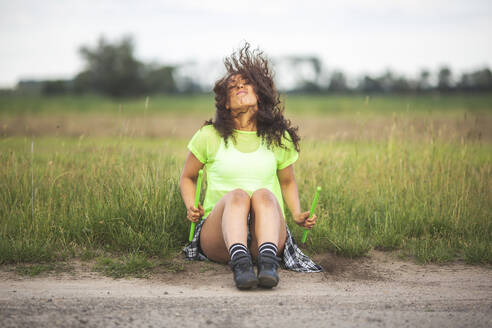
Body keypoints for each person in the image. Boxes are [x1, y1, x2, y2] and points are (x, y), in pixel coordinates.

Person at [181, 43, 322, 290]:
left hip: (265, 235)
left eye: (246, 84)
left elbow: (287, 181)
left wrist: (298, 213)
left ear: (260, 95)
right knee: (237, 196)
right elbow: (188, 177)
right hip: (219, 235)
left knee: (264, 195)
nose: (240, 88)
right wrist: (191, 205)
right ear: (225, 103)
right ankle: (241, 266)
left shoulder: (278, 138)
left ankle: (268, 265)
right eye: (233, 87)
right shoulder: (209, 136)